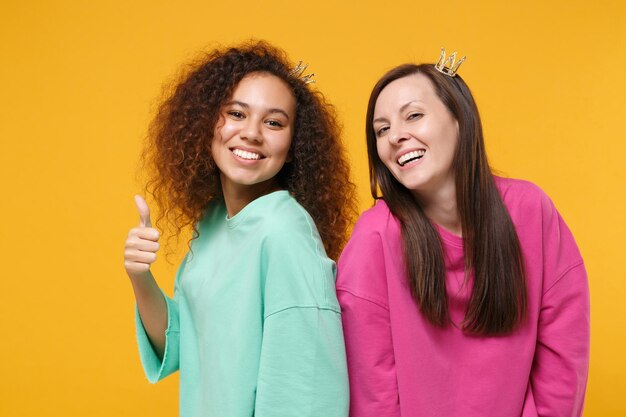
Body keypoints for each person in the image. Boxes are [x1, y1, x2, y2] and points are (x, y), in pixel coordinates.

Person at [336, 51, 590, 416]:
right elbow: (371, 386)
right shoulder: (375, 237)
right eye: (382, 129)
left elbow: (564, 352)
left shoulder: (531, 211)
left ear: (459, 118)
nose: (396, 136)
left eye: (413, 115)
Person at [123, 41, 354, 417]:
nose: (251, 133)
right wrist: (139, 276)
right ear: (207, 123)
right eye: (236, 113)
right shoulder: (213, 221)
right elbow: (181, 344)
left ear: (293, 146)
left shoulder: (285, 232)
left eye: (274, 122)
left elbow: (305, 390)